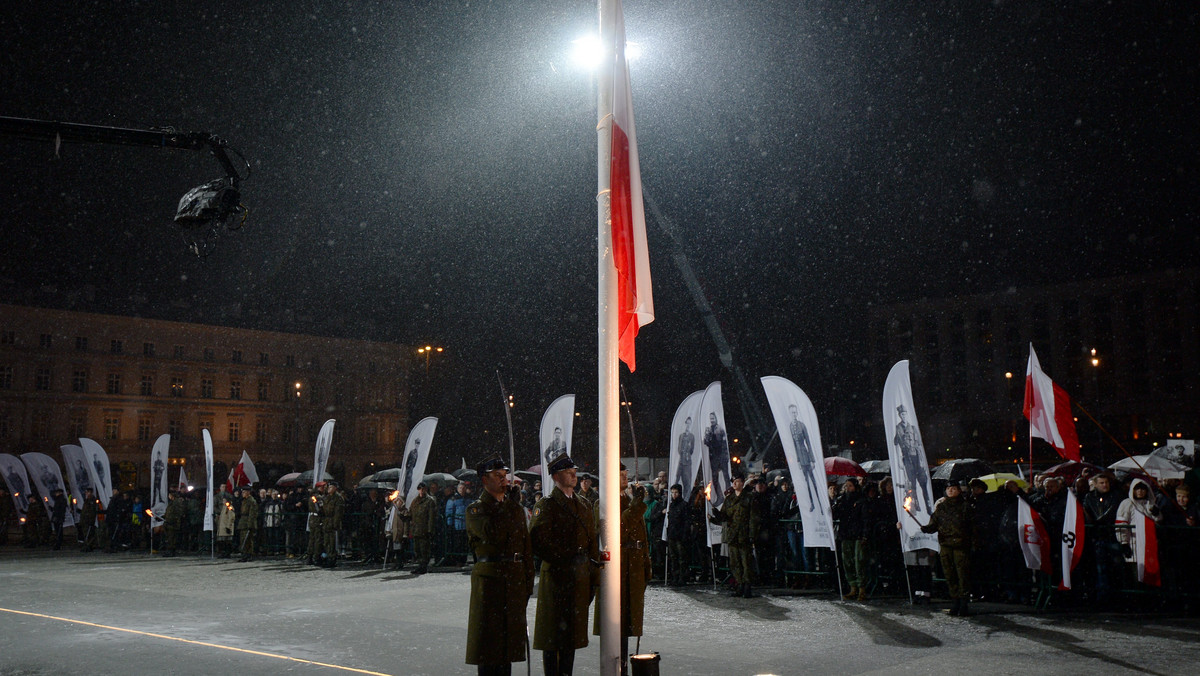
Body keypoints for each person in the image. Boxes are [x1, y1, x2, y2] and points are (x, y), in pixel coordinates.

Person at [531, 454, 600, 676]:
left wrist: (592, 571)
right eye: (569, 471)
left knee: (571, 636)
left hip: (579, 576)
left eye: (574, 470)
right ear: (556, 476)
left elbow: (590, 540)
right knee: (553, 637)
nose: (574, 474)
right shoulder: (547, 505)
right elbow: (538, 542)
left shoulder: (583, 504)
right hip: (558, 578)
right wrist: (565, 559)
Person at [465, 456, 534, 676]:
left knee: (508, 647)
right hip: (491, 582)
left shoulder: (512, 508)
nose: (504, 481)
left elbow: (524, 545)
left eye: (505, 476)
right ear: (485, 480)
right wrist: (511, 507)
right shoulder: (476, 510)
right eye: (498, 476)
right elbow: (492, 534)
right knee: (489, 647)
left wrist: (527, 581)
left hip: (513, 580)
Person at [593, 466, 652, 675]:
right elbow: (615, 532)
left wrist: (646, 564)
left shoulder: (628, 501)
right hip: (618, 569)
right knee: (616, 626)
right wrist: (636, 505)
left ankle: (625, 667)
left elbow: (641, 536)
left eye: (626, 473)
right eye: (620, 474)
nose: (625, 476)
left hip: (633, 567)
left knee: (629, 625)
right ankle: (617, 668)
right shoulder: (603, 503)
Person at [920, 480, 974, 616]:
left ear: (959, 490)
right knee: (949, 574)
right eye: (948, 488)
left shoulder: (965, 507)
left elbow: (972, 526)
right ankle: (955, 601)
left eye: (954, 488)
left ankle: (963, 603)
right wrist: (926, 528)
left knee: (962, 574)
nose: (950, 490)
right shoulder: (942, 507)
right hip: (945, 545)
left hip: (961, 545)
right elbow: (934, 524)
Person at [710, 474, 757, 597]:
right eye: (733, 482)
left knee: (746, 562)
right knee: (734, 562)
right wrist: (715, 514)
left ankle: (747, 586)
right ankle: (739, 584)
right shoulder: (729, 499)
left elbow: (753, 518)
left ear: (742, 483)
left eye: (737, 481)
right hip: (732, 535)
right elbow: (724, 517)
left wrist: (752, 534)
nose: (735, 484)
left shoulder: (749, 498)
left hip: (744, 534)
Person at [1083, 472, 1123, 605]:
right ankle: (1103, 598)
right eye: (1101, 483)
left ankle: (1116, 597)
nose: (1105, 485)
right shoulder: (1089, 497)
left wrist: (1098, 522)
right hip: (1097, 537)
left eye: (1106, 482)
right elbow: (1087, 512)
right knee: (1101, 569)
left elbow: (1112, 512)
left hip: (1111, 536)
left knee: (1115, 568)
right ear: (1095, 484)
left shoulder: (1115, 496)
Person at [893, 404, 932, 514]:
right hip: (907, 459)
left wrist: (923, 461)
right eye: (902, 414)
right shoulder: (898, 428)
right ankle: (916, 505)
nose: (904, 416)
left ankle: (928, 506)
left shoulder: (914, 428)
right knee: (912, 484)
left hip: (917, 458)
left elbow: (919, 445)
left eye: (905, 414)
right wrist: (899, 460)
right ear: (900, 415)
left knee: (923, 483)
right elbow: (896, 443)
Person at [788, 405, 823, 514]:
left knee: (813, 481)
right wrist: (796, 460)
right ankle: (812, 503)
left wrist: (812, 459)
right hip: (799, 458)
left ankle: (820, 504)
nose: (793, 414)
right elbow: (792, 444)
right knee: (806, 483)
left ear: (797, 413)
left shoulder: (802, 426)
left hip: (806, 456)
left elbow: (808, 442)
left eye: (795, 412)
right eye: (792, 413)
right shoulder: (790, 426)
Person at [410, 482, 438, 574]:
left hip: (424, 529)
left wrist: (430, 530)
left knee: (424, 549)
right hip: (416, 528)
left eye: (423, 489)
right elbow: (411, 513)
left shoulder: (430, 501)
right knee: (417, 549)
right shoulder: (415, 501)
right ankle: (420, 565)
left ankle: (423, 566)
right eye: (420, 489)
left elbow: (431, 517)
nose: (422, 490)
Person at [665, 484, 690, 585]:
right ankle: (675, 577)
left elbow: (686, 521)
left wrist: (684, 534)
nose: (674, 495)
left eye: (676, 493)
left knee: (681, 558)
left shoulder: (684, 505)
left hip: (680, 535)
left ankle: (682, 577)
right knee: (673, 557)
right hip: (672, 534)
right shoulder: (671, 505)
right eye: (672, 493)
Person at [703, 413, 732, 502]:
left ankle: (729, 495)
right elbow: (706, 442)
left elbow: (723, 443)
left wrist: (726, 456)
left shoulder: (720, 429)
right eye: (710, 418)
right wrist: (707, 435)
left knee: (726, 477)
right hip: (714, 457)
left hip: (721, 456)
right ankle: (720, 497)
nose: (712, 420)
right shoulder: (708, 430)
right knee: (715, 478)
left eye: (713, 418)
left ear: (716, 419)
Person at [319, 481, 344, 567]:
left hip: (332, 521)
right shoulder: (326, 498)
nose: (329, 489)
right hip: (326, 521)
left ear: (335, 488)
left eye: (331, 487)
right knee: (326, 541)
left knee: (332, 542)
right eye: (328, 487)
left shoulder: (338, 498)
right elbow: (324, 510)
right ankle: (327, 557)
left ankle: (332, 558)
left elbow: (338, 512)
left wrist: (335, 524)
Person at [237, 486, 259, 562]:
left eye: (244, 492)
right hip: (243, 522)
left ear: (248, 492)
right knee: (243, 539)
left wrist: (250, 525)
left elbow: (252, 514)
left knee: (248, 540)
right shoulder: (244, 500)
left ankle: (249, 554)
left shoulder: (251, 501)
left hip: (247, 522)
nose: (242, 493)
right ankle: (244, 554)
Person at [675, 416, 696, 493]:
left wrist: (687, 453)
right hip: (681, 460)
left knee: (687, 481)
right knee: (676, 479)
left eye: (689, 424)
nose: (688, 425)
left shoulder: (692, 436)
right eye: (687, 423)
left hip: (687, 462)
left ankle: (686, 499)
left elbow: (691, 450)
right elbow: (679, 448)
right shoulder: (681, 435)